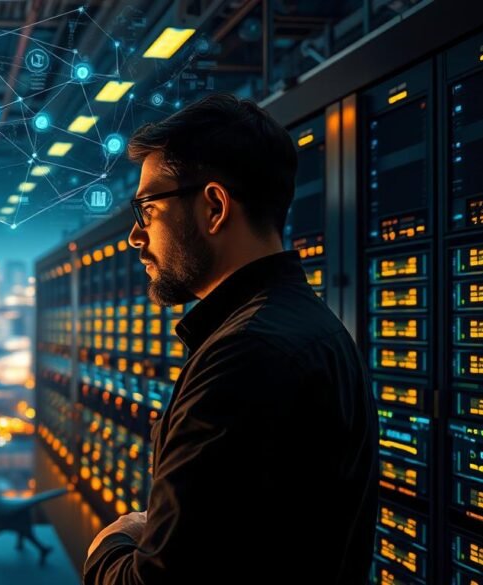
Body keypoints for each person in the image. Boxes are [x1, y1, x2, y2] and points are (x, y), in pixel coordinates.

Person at [83, 93, 378, 584]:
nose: (135, 238)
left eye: (147, 210)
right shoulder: (308, 328)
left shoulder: (245, 357)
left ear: (214, 207)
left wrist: (110, 542)